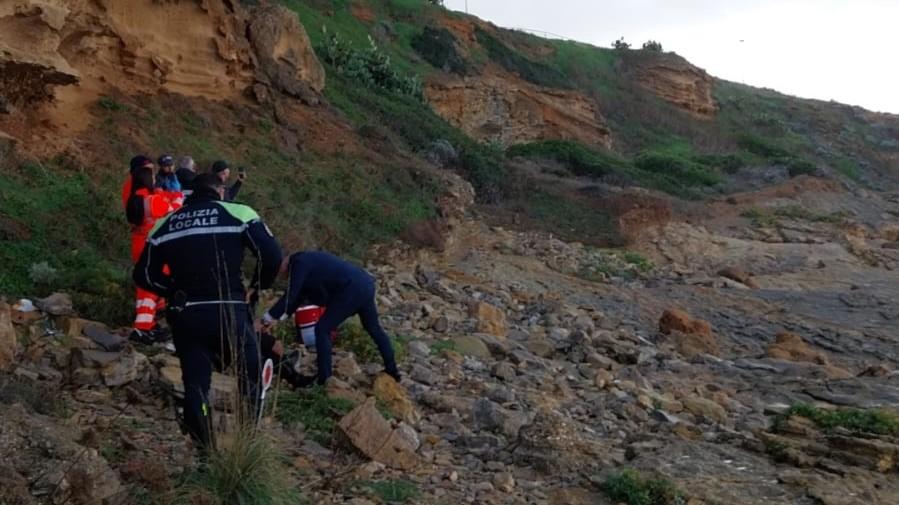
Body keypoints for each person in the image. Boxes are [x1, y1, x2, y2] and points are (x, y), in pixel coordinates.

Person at [133, 173, 282, 450]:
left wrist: (172, 290)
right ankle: (246, 445)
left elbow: (143, 275)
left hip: (188, 314)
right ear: (220, 191)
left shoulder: (166, 223)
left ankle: (205, 454)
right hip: (230, 310)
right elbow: (272, 255)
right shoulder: (239, 213)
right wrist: (257, 286)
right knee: (250, 375)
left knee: (196, 386)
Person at [260, 251, 400, 385]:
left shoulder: (299, 262)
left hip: (351, 288)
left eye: (278, 270)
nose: (280, 275)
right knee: (374, 328)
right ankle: (392, 370)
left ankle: (324, 379)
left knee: (322, 329)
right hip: (364, 284)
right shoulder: (307, 262)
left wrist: (267, 318)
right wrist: (275, 319)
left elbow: (291, 294)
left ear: (284, 261)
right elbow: (297, 298)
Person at [124, 155, 177, 343]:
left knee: (148, 283)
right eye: (151, 174)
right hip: (150, 244)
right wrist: (175, 196)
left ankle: (151, 323)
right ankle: (143, 327)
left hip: (140, 241)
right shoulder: (149, 199)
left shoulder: (133, 191)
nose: (155, 176)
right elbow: (171, 209)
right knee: (148, 287)